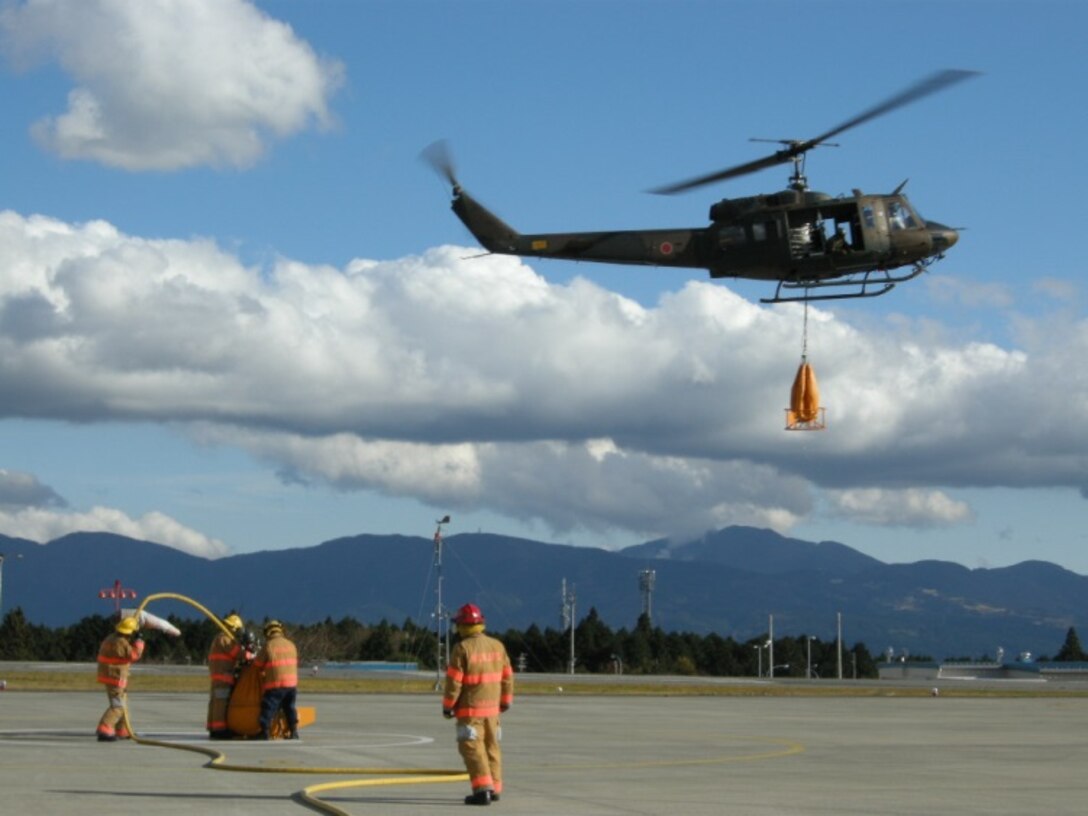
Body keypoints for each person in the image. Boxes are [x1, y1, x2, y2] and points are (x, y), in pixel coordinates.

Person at [442, 603, 514, 806]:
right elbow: (507, 677)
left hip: (470, 710)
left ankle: (482, 790)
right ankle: (495, 788)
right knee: (492, 748)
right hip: (493, 711)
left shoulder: (462, 648)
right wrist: (506, 701)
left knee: (472, 749)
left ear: (462, 626)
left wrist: (448, 706)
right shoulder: (497, 646)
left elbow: (454, 681)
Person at [95, 616, 145, 742]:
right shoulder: (121, 642)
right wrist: (139, 642)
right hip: (115, 677)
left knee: (123, 704)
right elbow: (134, 655)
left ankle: (122, 729)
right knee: (118, 706)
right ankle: (104, 728)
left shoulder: (111, 638)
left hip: (110, 675)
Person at [206, 612, 250, 739]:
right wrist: (249, 655)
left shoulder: (219, 638)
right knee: (221, 702)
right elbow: (237, 653)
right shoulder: (225, 639)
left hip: (218, 676)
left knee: (215, 702)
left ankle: (213, 727)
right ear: (233, 627)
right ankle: (220, 730)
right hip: (223, 676)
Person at [254, 619, 299, 739]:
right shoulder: (291, 645)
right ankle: (294, 731)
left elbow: (257, 664)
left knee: (268, 707)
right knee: (290, 708)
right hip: (291, 685)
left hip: (276, 684)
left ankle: (264, 732)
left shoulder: (269, 645)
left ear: (268, 632)